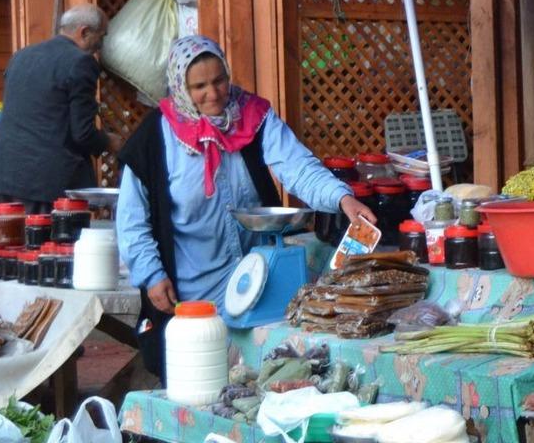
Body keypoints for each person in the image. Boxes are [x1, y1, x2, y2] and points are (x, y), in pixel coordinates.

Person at [116, 35, 376, 381]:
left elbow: (296, 166)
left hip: (259, 281)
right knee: (202, 386)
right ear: (180, 87)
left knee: (267, 383)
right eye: (199, 86)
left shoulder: (253, 117)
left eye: (219, 80)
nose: (214, 94)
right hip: (194, 297)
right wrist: (151, 274)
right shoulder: (155, 137)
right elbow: (132, 220)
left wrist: (342, 198)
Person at [0, 4, 124, 214]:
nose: (101, 45)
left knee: (10, 245)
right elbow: (82, 133)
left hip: (1, 175)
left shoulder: (21, 56)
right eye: (101, 36)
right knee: (47, 246)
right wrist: (109, 141)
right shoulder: (81, 62)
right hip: (43, 182)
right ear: (84, 32)